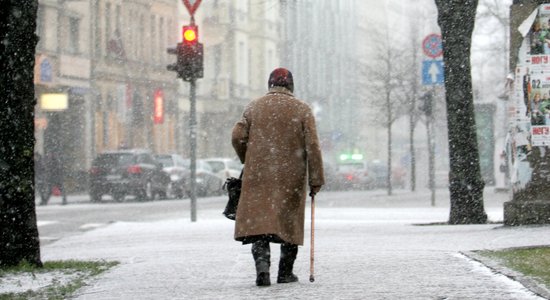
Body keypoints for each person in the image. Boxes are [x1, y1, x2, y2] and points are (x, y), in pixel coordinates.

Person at [231, 67, 325, 286]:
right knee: (288, 223)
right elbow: (313, 146)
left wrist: (248, 158)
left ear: (269, 84)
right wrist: (316, 179)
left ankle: (262, 268)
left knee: (260, 226)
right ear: (290, 86)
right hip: (290, 176)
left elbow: (237, 135)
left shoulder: (254, 107)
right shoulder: (302, 109)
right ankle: (285, 271)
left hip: (258, 176)